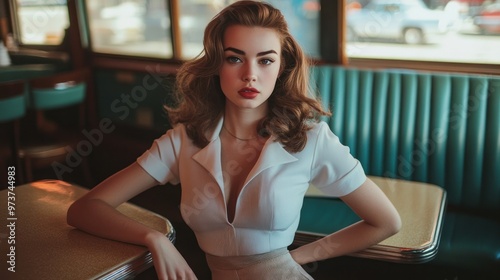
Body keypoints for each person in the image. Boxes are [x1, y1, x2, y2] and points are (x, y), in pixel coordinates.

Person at [67, 1, 401, 279]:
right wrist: (154, 238)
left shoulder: (312, 139)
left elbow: (385, 222)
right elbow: (84, 209)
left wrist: (297, 259)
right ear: (216, 65)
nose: (250, 74)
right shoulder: (183, 140)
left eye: (266, 59)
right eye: (235, 58)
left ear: (283, 67)